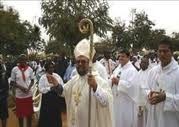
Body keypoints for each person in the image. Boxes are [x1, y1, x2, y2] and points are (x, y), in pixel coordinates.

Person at [47, 39, 114, 127]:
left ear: (89, 63)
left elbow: (106, 102)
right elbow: (64, 92)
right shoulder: (74, 80)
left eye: (83, 61)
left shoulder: (98, 81)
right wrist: (56, 84)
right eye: (78, 61)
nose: (80, 64)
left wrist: (95, 87)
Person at [146, 39, 179, 127]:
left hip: (170, 120)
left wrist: (165, 97)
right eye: (160, 51)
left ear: (171, 52)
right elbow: (146, 88)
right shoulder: (153, 71)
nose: (162, 54)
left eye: (165, 51)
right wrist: (149, 94)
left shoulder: (177, 72)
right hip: (153, 117)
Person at [111, 49, 138, 127]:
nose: (120, 58)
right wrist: (111, 81)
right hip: (116, 101)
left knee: (125, 122)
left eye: (123, 56)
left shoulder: (132, 70)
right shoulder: (118, 68)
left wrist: (119, 82)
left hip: (126, 104)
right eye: (119, 56)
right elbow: (112, 78)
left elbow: (133, 87)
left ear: (128, 57)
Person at [10, 54, 34, 127]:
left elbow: (32, 80)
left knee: (29, 115)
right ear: (19, 61)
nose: (23, 61)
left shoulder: (30, 69)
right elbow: (12, 82)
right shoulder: (15, 69)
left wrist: (29, 88)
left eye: (24, 60)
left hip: (28, 95)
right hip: (19, 96)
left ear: (26, 61)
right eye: (21, 60)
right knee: (20, 116)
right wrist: (21, 87)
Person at [38, 61, 64, 127]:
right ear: (46, 68)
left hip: (56, 99)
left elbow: (62, 85)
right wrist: (50, 89)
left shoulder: (57, 76)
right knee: (47, 116)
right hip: (47, 100)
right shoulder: (43, 77)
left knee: (56, 115)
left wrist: (57, 87)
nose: (51, 69)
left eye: (52, 67)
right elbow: (40, 89)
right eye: (50, 68)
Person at [135, 56, 150, 127]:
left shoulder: (151, 73)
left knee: (147, 120)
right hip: (138, 100)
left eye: (144, 63)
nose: (142, 64)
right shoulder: (138, 73)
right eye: (141, 62)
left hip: (147, 101)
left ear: (148, 64)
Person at [0, 58, 9, 127]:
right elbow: (7, 88)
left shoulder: (4, 75)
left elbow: (7, 88)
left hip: (3, 98)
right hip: (3, 98)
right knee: (4, 116)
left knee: (4, 116)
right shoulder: (4, 75)